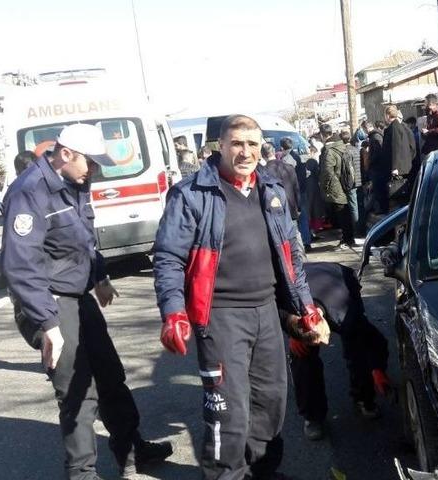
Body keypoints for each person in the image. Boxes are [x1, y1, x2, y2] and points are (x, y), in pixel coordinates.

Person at [153, 114, 329, 480]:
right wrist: (173, 311)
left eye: (252, 144)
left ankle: (263, 472)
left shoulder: (271, 190)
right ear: (219, 145)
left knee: (270, 404)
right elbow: (169, 257)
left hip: (267, 313)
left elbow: (291, 256)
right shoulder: (191, 195)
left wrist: (306, 307)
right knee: (228, 413)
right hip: (220, 318)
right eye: (237, 143)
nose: (245, 151)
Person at [1, 124, 172, 480]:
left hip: (78, 296)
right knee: (78, 391)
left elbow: (83, 237)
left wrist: (100, 276)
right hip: (50, 301)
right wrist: (48, 325)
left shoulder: (76, 183)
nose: (94, 170)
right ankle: (82, 474)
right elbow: (20, 265)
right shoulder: (29, 192)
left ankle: (131, 448)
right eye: (90, 162)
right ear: (66, 154)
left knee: (111, 376)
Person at [289, 262, 391, 440]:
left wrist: (377, 369)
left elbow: (375, 341)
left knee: (357, 347)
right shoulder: (289, 300)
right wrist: (294, 334)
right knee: (301, 357)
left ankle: (364, 396)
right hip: (301, 286)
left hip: (338, 278)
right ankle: (313, 415)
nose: (325, 343)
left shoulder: (347, 313)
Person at [263, 141, 304, 258]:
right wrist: (298, 206)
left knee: (281, 238)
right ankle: (300, 258)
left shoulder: (264, 171)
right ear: (274, 152)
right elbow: (296, 188)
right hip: (291, 206)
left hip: (276, 209)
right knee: (295, 236)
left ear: (263, 155)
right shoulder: (288, 167)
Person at [319, 130, 355, 248]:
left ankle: (347, 239)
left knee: (342, 213)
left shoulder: (329, 151)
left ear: (323, 135)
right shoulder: (342, 146)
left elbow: (327, 172)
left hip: (336, 185)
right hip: (346, 182)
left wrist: (325, 186)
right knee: (345, 212)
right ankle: (348, 237)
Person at [382, 104, 417, 209]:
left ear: (388, 115)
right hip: (402, 167)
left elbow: (396, 147)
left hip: (398, 170)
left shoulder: (395, 127)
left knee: (398, 198)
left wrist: (395, 167)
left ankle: (400, 223)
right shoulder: (398, 126)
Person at [339, 130, 363, 236]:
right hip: (360, 180)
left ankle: (356, 230)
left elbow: (345, 170)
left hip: (351, 182)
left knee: (354, 207)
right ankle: (360, 227)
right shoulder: (356, 149)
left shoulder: (345, 152)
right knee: (360, 205)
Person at [367, 121, 387, 214]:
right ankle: (380, 207)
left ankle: (382, 208)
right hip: (377, 167)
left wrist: (370, 161)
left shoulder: (375, 137)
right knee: (377, 189)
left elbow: (377, 152)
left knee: (378, 189)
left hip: (377, 167)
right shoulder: (375, 136)